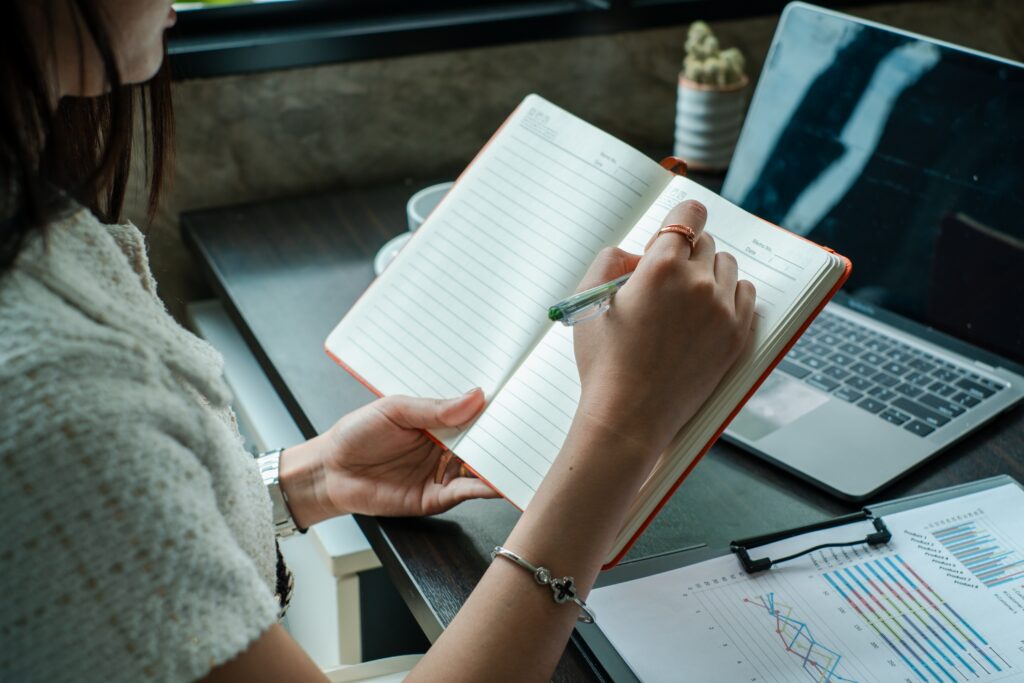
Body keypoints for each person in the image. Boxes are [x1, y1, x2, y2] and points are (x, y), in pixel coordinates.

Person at [0, 2, 756, 681]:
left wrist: (305, 480)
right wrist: (621, 428)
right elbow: (73, 474)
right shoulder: (54, 396)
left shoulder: (39, 245)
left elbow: (93, 557)